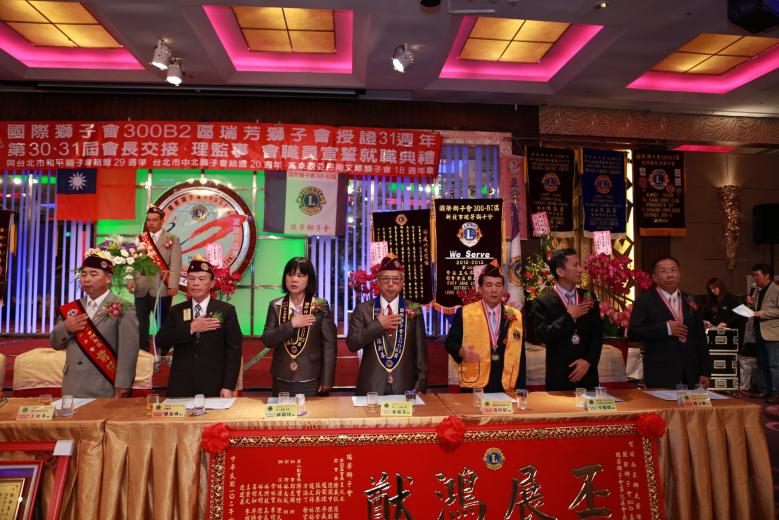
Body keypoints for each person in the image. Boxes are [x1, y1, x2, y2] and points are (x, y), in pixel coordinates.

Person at [50, 255, 139, 398]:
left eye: (93, 274)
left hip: (104, 383)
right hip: (72, 384)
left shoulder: (123, 307)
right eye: (83, 274)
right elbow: (55, 343)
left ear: (108, 278)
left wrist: (123, 383)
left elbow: (128, 350)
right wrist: (66, 327)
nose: (86, 279)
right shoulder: (72, 308)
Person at [157, 259, 242, 397]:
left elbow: (234, 351)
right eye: (191, 278)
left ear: (212, 283)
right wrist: (190, 328)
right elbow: (161, 340)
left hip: (214, 385)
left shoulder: (226, 311)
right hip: (181, 385)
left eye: (202, 279)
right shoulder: (176, 310)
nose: (196, 283)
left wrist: (228, 386)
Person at [347, 255, 427, 395]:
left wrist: (419, 386)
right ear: (377, 282)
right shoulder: (363, 309)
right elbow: (352, 344)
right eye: (385, 279)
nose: (390, 284)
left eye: (395, 279)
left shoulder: (414, 309)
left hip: (405, 386)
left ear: (402, 282)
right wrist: (378, 325)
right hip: (371, 386)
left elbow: (421, 352)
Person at [627, 256, 710, 388]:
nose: (670, 275)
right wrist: (665, 328)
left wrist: (705, 371)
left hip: (691, 373)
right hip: (660, 373)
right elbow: (633, 333)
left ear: (679, 274)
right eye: (664, 271)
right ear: (654, 277)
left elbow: (701, 338)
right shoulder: (644, 301)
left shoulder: (692, 300)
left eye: (673, 270)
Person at [445, 260, 525, 393]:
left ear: (503, 289)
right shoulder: (465, 313)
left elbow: (520, 356)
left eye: (498, 285)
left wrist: (521, 388)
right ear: (480, 289)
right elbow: (450, 343)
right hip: (475, 384)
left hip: (506, 384)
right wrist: (461, 352)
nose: (494, 290)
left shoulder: (515, 316)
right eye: (489, 285)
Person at [261, 257, 337, 397]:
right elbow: (267, 340)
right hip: (282, 376)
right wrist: (292, 324)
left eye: (300, 275)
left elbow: (329, 345)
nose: (294, 279)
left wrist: (327, 379)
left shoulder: (320, 306)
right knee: (282, 411)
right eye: (290, 275)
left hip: (311, 376)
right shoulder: (275, 305)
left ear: (309, 279)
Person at [532, 248, 602, 391]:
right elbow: (543, 335)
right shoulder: (543, 301)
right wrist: (569, 317)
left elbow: (598, 334)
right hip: (559, 375)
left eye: (579, 265)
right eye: (575, 265)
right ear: (560, 272)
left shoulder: (588, 296)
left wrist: (588, 360)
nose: (580, 270)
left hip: (587, 374)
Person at [127, 206, 182, 353]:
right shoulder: (139, 239)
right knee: (141, 322)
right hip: (141, 287)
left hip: (162, 287)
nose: (151, 223)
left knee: (163, 322)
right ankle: (143, 350)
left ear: (162, 221)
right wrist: (130, 280)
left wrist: (173, 285)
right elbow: (131, 262)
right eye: (149, 220)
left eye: (155, 220)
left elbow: (175, 264)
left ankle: (163, 351)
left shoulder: (172, 238)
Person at [746, 264, 779, 404]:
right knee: (762, 363)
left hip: (772, 332)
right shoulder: (758, 291)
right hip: (759, 331)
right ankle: (765, 390)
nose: (755, 278)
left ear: (767, 276)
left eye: (757, 275)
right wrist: (751, 305)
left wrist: (763, 313)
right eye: (753, 275)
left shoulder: (776, 290)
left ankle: (776, 392)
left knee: (774, 365)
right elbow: (755, 310)